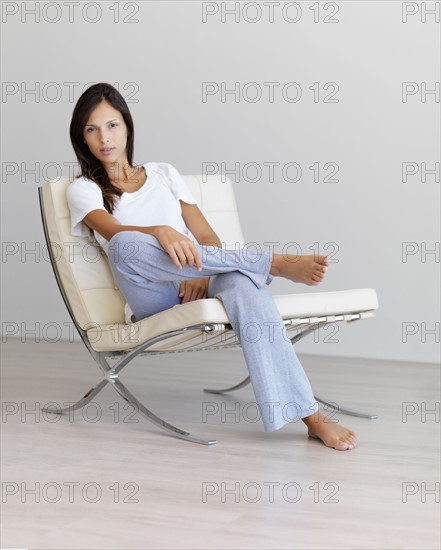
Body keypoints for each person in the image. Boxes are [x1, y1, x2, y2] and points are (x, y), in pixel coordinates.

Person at [67, 82, 358, 451]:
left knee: (244, 288)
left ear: (127, 126)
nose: (104, 138)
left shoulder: (164, 174)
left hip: (200, 276)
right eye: (91, 130)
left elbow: (207, 237)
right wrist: (161, 230)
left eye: (111, 125)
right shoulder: (84, 189)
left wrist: (203, 275)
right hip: (154, 295)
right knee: (125, 244)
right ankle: (269, 262)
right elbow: (112, 230)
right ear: (82, 138)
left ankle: (311, 418)